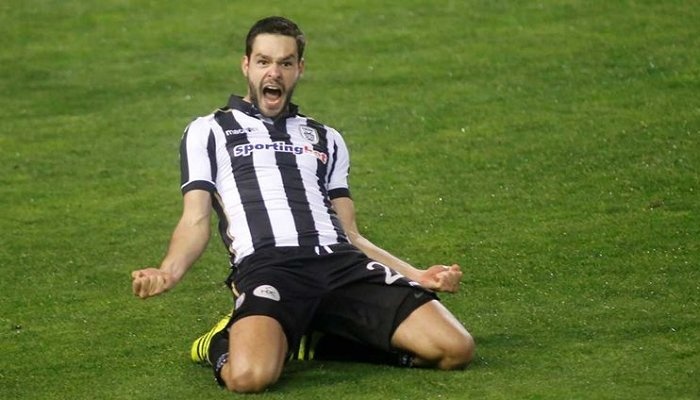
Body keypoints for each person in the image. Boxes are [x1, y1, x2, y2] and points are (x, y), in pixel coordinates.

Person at [131, 16, 474, 393]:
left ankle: (321, 343)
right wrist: (168, 272)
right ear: (246, 65)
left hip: (340, 264)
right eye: (263, 61)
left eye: (285, 63)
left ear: (299, 69)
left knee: (454, 349)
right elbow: (195, 219)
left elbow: (351, 234)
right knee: (249, 378)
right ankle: (219, 341)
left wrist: (416, 274)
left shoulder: (326, 137)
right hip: (270, 266)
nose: (274, 73)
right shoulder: (208, 130)